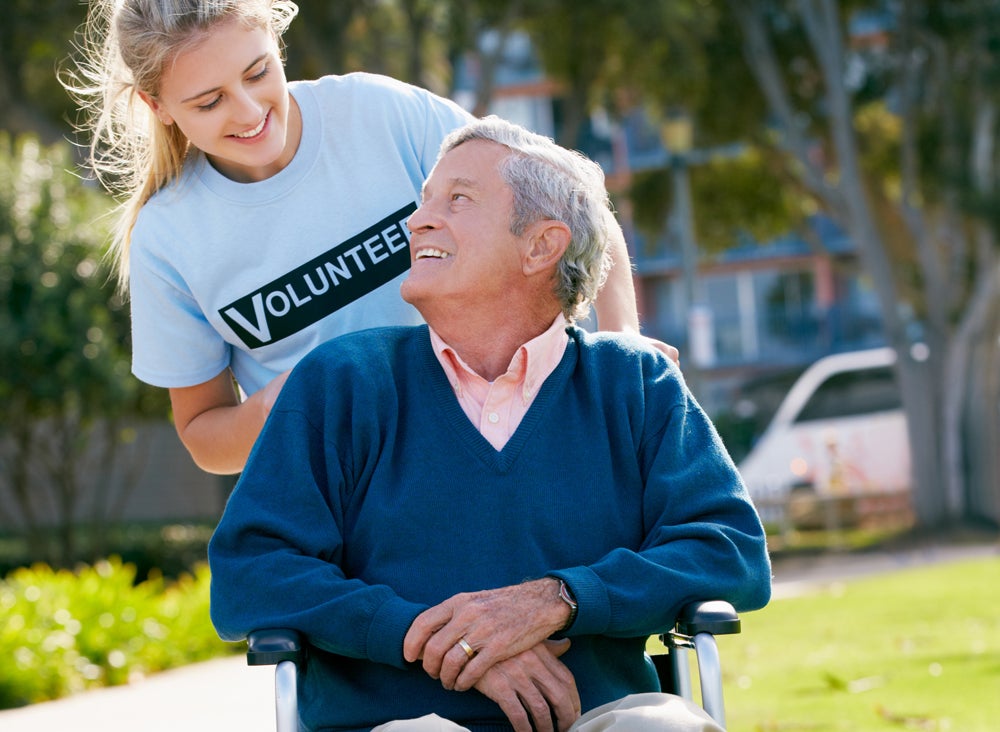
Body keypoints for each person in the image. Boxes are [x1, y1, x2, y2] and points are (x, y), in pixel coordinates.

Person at [208, 116, 771, 732]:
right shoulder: (343, 380)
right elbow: (251, 570)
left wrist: (556, 599)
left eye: (458, 199)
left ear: (541, 246)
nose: (417, 221)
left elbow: (728, 549)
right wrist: (440, 639)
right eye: (425, 201)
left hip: (595, 718)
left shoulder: (634, 382)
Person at [62, 0, 675, 476]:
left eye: (257, 72)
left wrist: (623, 340)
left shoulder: (380, 113)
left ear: (275, 41)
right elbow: (205, 437)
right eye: (209, 101)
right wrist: (286, 406)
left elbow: (571, 204)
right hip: (360, 508)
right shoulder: (167, 239)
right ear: (158, 105)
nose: (248, 111)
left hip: (524, 445)